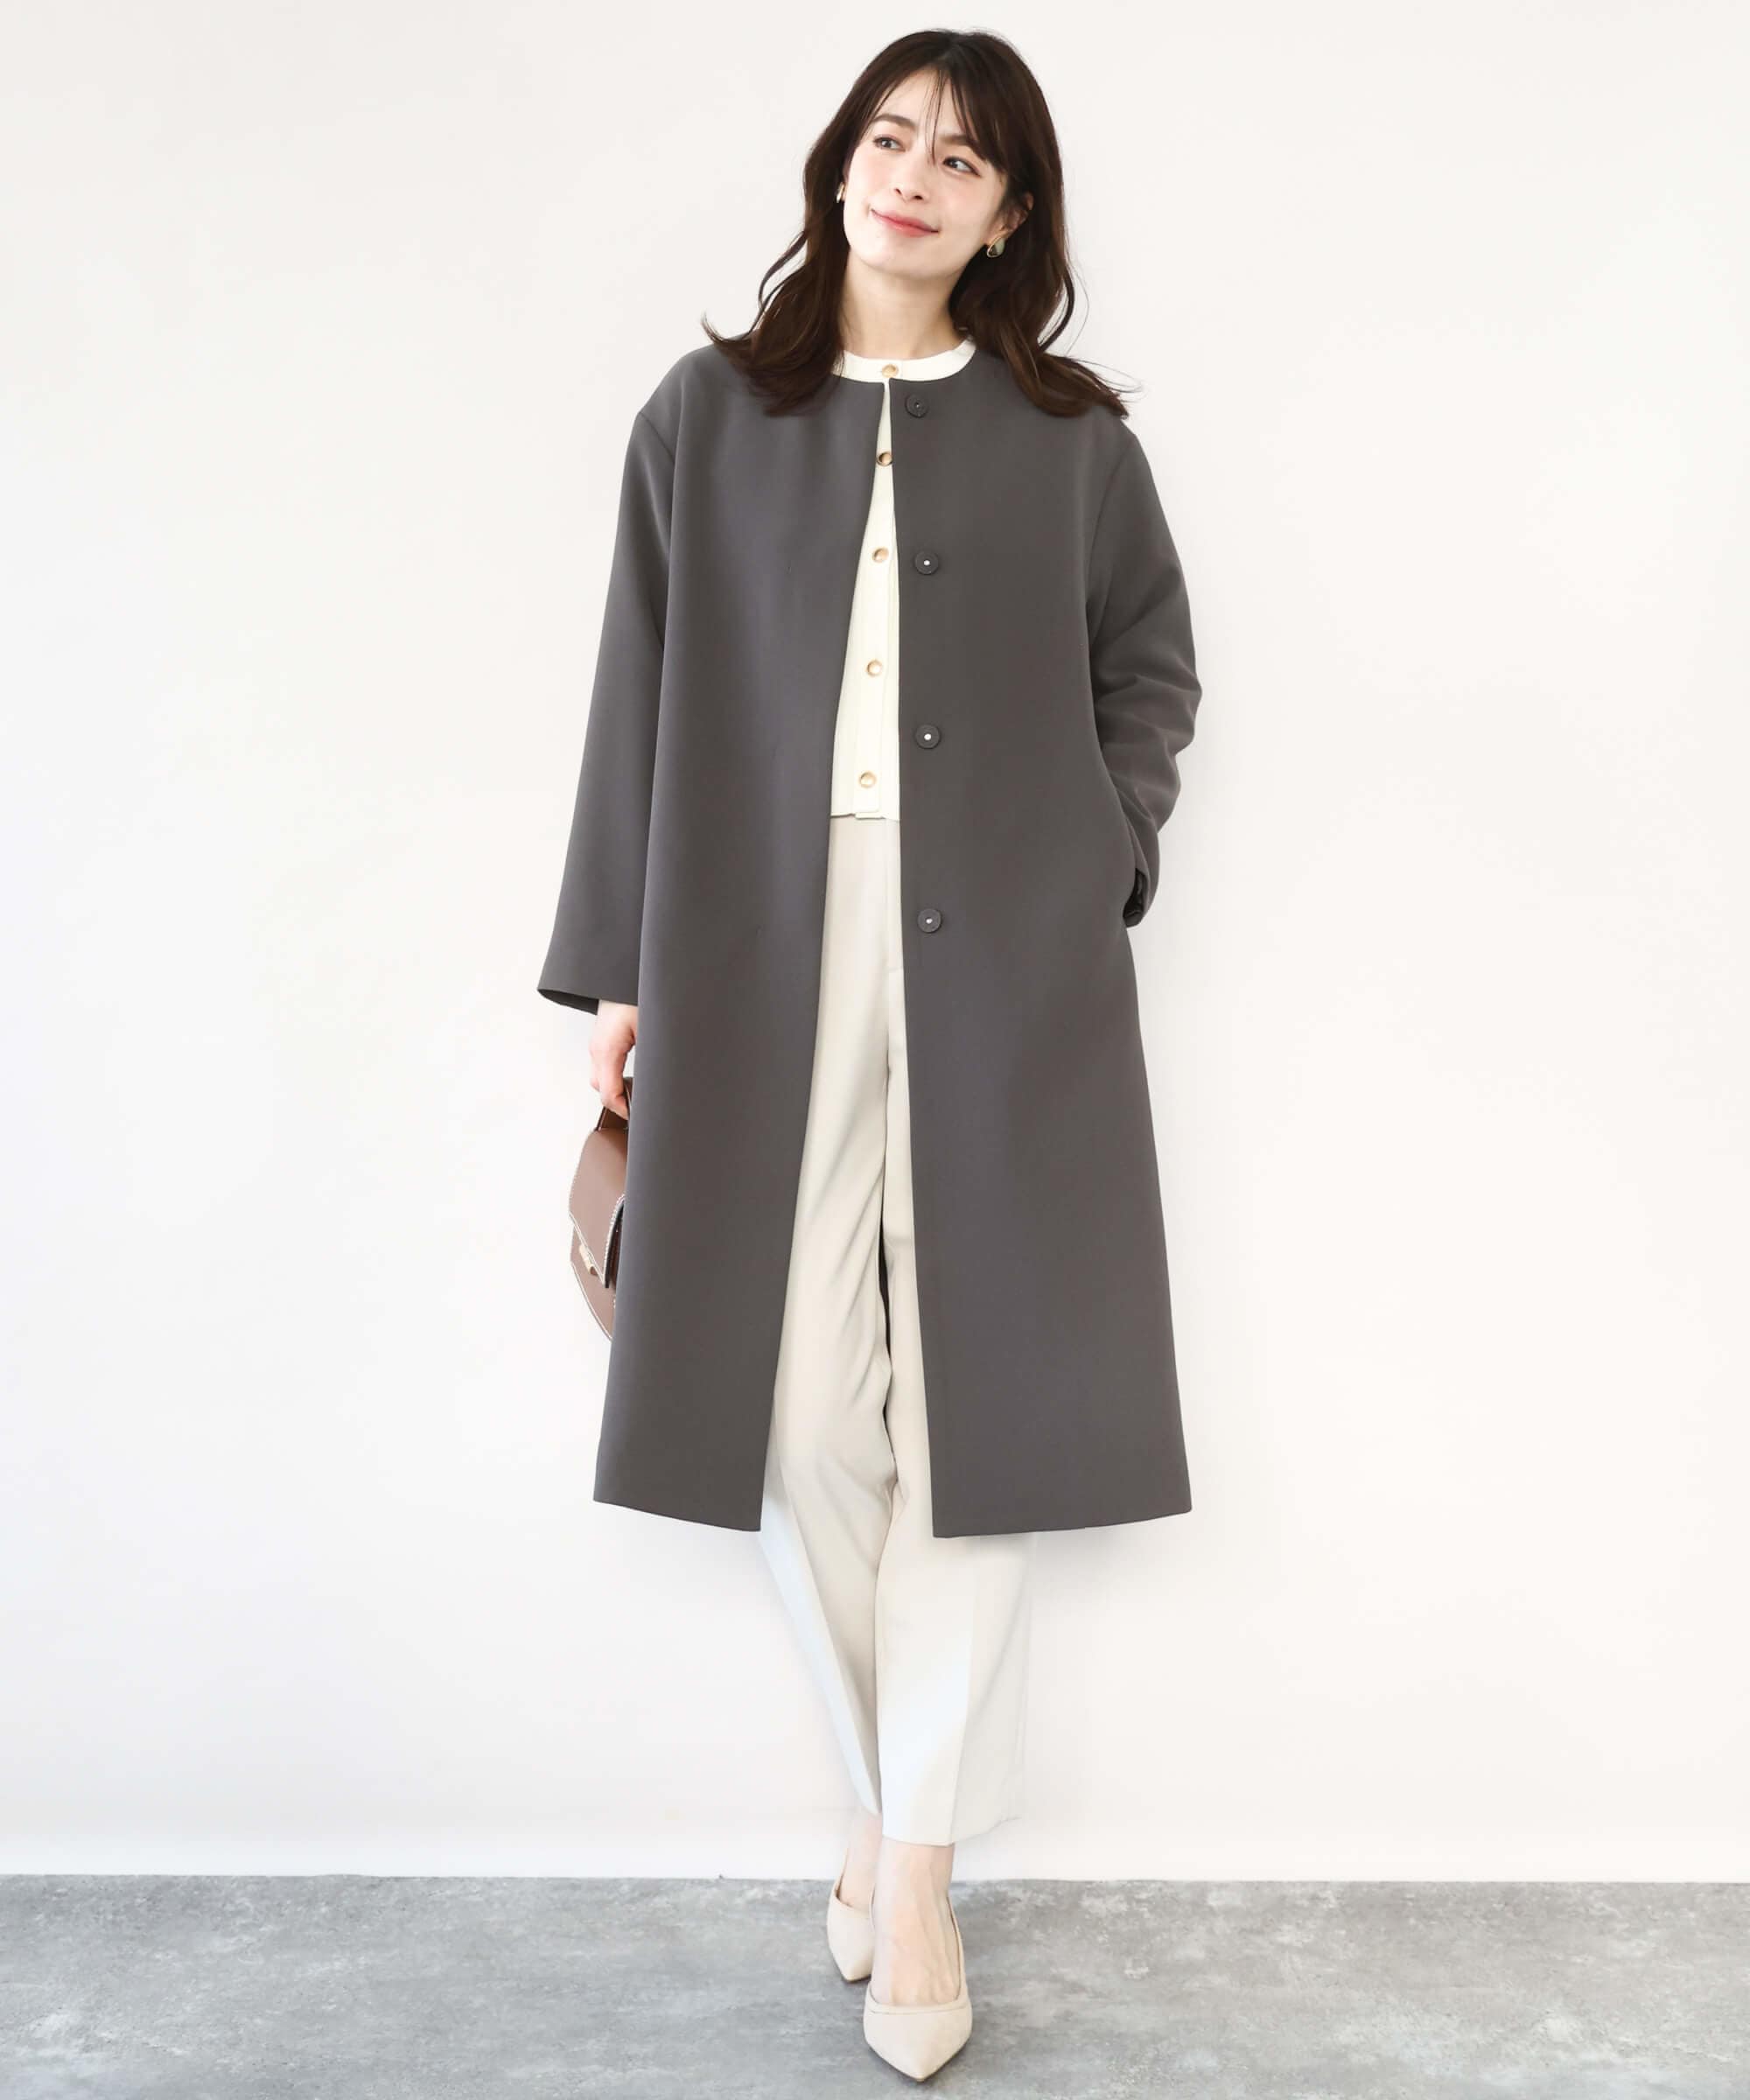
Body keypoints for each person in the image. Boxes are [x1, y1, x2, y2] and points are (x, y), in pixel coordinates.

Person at [539, 31, 1203, 2082]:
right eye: (893, 137)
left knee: (985, 1417)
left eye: (965, 161)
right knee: (796, 1414)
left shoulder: (1071, 439)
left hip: (1007, 954)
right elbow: (637, 684)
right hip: (755, 949)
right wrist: (622, 969)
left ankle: (909, 1870)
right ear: (842, 164)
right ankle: (889, 1790)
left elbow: (1149, 665)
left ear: (1008, 218)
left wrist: (1102, 848)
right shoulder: (706, 417)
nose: (917, 175)